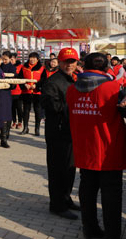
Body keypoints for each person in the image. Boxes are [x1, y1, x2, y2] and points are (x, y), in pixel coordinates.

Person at [67, 52, 126, 239]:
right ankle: (113, 233)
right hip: (109, 151)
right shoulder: (114, 88)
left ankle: (90, 229)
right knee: (111, 197)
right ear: (107, 67)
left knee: (87, 193)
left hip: (84, 151)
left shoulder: (71, 90)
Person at [41, 48, 80, 221]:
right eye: (66, 62)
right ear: (59, 62)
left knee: (70, 168)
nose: (69, 65)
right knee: (58, 169)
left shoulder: (73, 80)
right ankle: (57, 205)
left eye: (72, 62)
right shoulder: (52, 82)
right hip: (57, 132)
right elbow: (52, 107)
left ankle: (66, 198)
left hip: (71, 131)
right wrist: (75, 108)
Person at [18, 52, 47, 136]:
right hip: (26, 92)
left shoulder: (41, 68)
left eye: (34, 58)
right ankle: (25, 128)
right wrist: (24, 84)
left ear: (37, 59)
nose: (32, 59)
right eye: (31, 57)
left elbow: (44, 80)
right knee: (26, 110)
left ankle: (36, 129)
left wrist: (36, 85)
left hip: (36, 92)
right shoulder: (24, 67)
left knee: (37, 111)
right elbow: (20, 78)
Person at [0, 52, 15, 148]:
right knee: (2, 113)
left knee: (7, 113)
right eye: (3, 59)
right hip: (0, 91)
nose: (4, 61)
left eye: (6, 59)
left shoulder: (12, 67)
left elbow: (13, 80)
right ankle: (3, 134)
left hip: (6, 92)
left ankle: (6, 135)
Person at [10, 53, 23, 130]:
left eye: (12, 59)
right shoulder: (7, 67)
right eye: (10, 59)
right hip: (10, 91)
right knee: (12, 108)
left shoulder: (21, 67)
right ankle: (14, 121)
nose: (11, 61)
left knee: (19, 108)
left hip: (19, 91)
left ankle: (20, 122)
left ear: (15, 59)